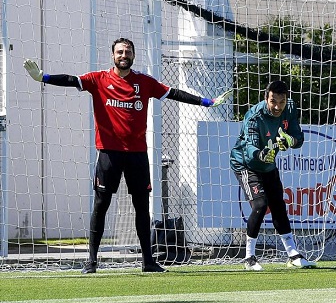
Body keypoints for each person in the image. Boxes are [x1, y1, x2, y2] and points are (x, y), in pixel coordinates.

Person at [23, 37, 231, 274]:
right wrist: (44, 78)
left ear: (133, 55)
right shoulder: (98, 79)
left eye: (128, 51)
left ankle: (148, 262)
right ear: (113, 55)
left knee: (142, 207)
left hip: (137, 156)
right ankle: (91, 261)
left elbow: (173, 93)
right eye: (120, 52)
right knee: (101, 205)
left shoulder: (144, 82)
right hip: (108, 155)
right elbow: (72, 80)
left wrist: (207, 102)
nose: (124, 55)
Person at [230, 80, 316, 271]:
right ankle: (249, 258)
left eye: (281, 102)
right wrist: (261, 154)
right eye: (273, 101)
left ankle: (293, 255)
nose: (277, 106)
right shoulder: (253, 116)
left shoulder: (290, 108)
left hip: (268, 165)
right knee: (260, 204)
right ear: (265, 98)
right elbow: (251, 146)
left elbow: (298, 139)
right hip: (246, 164)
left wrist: (289, 141)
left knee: (278, 204)